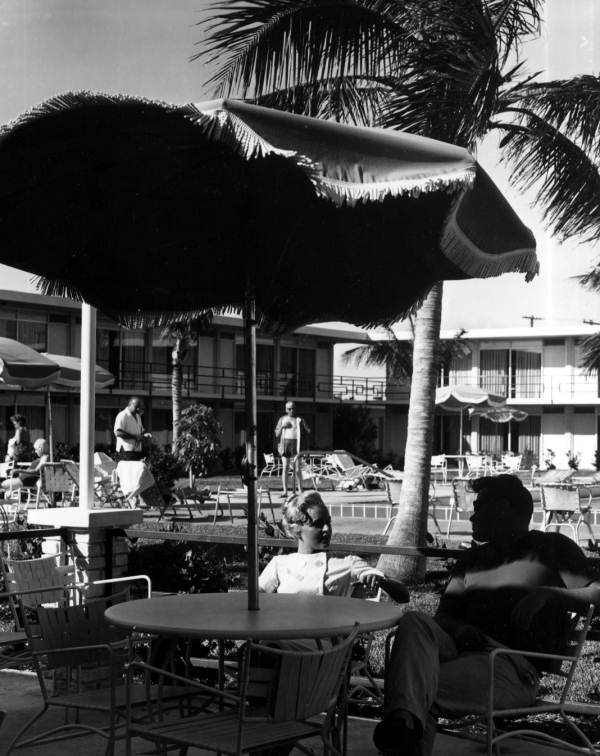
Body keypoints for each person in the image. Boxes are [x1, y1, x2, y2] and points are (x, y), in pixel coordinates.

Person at [374, 474, 600, 756]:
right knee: (414, 621)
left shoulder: (550, 547)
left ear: (502, 508)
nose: (471, 516)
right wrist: (459, 631)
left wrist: (549, 594)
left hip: (512, 669)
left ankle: (402, 727)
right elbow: (442, 619)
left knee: (412, 691)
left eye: (478, 507)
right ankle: (404, 726)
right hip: (462, 653)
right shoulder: (472, 560)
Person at [259, 490, 408, 603]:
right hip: (280, 637)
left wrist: (382, 581)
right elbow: (254, 599)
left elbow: (403, 596)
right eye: (317, 524)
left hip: (327, 641)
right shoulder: (280, 564)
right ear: (296, 530)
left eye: (328, 522)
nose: (326, 529)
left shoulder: (347, 562)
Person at [274, 401, 310, 498]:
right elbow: (276, 434)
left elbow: (308, 431)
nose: (291, 410)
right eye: (289, 409)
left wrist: (303, 426)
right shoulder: (282, 419)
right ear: (286, 410)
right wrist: (282, 426)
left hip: (296, 445)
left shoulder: (300, 419)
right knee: (285, 467)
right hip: (285, 445)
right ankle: (285, 491)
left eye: (293, 408)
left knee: (297, 469)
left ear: (296, 408)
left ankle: (300, 489)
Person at [113, 397, 151, 461]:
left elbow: (140, 432)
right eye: (137, 407)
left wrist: (144, 435)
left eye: (140, 407)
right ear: (130, 405)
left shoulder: (138, 416)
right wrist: (135, 437)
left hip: (136, 451)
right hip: (125, 451)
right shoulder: (122, 415)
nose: (138, 409)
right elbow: (118, 432)